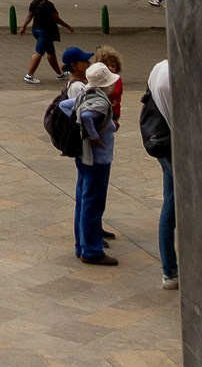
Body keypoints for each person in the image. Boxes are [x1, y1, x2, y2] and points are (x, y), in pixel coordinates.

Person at [70, 62, 120, 265]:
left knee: (82, 200)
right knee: (93, 202)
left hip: (84, 156)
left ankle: (81, 245)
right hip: (98, 158)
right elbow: (86, 115)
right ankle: (91, 250)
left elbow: (68, 107)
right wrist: (92, 135)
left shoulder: (83, 93)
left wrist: (78, 130)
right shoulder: (99, 100)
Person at [145, 58, 177, 289]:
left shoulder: (159, 67)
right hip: (172, 147)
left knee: (170, 201)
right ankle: (170, 270)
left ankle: (170, 271)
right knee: (172, 208)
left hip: (162, 144)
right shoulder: (170, 79)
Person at [24, 0, 73, 83]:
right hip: (45, 32)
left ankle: (60, 74)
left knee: (51, 53)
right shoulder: (48, 5)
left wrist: (23, 27)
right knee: (39, 52)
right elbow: (56, 18)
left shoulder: (34, 2)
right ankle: (29, 75)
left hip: (35, 30)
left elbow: (29, 16)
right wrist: (67, 26)